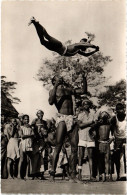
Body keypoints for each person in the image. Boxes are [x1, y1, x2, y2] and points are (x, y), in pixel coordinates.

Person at [48, 73, 87, 182]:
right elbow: (51, 102)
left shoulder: (68, 90)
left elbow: (83, 91)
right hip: (62, 118)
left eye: (59, 78)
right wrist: (56, 85)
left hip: (71, 118)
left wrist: (84, 77)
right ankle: (52, 174)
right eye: (56, 79)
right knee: (58, 146)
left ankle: (72, 175)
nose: (60, 79)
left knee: (74, 148)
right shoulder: (53, 91)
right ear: (53, 81)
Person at [28, 17, 99, 57]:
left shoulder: (78, 51)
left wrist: (95, 50)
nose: (82, 43)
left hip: (56, 49)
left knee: (42, 42)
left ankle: (34, 22)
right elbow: (85, 44)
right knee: (47, 36)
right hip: (60, 45)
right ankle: (36, 22)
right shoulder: (77, 45)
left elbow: (86, 54)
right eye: (82, 42)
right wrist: (94, 46)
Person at [77, 99, 96, 181]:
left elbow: (95, 124)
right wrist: (90, 123)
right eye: (84, 104)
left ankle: (92, 175)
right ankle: (79, 174)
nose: (86, 105)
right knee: (80, 156)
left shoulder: (93, 114)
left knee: (91, 156)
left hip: (90, 137)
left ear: (89, 105)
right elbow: (80, 125)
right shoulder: (80, 114)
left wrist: (94, 127)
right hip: (82, 136)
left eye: (87, 104)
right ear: (82, 106)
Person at [95, 111, 114, 181]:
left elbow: (113, 134)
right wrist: (96, 140)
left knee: (107, 160)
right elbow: (91, 132)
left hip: (107, 143)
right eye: (103, 115)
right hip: (100, 143)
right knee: (100, 160)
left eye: (105, 115)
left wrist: (111, 139)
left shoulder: (110, 125)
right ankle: (101, 174)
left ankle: (108, 175)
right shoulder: (98, 125)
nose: (104, 116)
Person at [110, 103, 126, 181]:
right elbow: (112, 130)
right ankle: (120, 175)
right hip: (117, 139)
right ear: (116, 111)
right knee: (119, 158)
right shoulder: (114, 119)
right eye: (118, 110)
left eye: (121, 109)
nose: (120, 111)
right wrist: (113, 140)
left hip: (125, 138)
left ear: (124, 109)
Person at [31, 110, 48, 179]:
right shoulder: (34, 121)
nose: (40, 115)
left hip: (42, 140)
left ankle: (41, 174)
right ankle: (34, 174)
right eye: (39, 113)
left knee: (43, 157)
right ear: (37, 114)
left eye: (41, 113)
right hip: (35, 141)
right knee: (35, 157)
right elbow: (32, 130)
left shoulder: (44, 122)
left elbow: (46, 132)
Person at [18, 115, 34, 180]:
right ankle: (19, 175)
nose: (26, 120)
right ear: (23, 120)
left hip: (29, 143)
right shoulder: (21, 127)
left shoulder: (30, 128)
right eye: (25, 119)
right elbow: (22, 136)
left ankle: (26, 175)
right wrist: (30, 135)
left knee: (27, 160)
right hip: (23, 143)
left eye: (27, 119)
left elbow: (34, 135)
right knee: (21, 159)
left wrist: (30, 136)